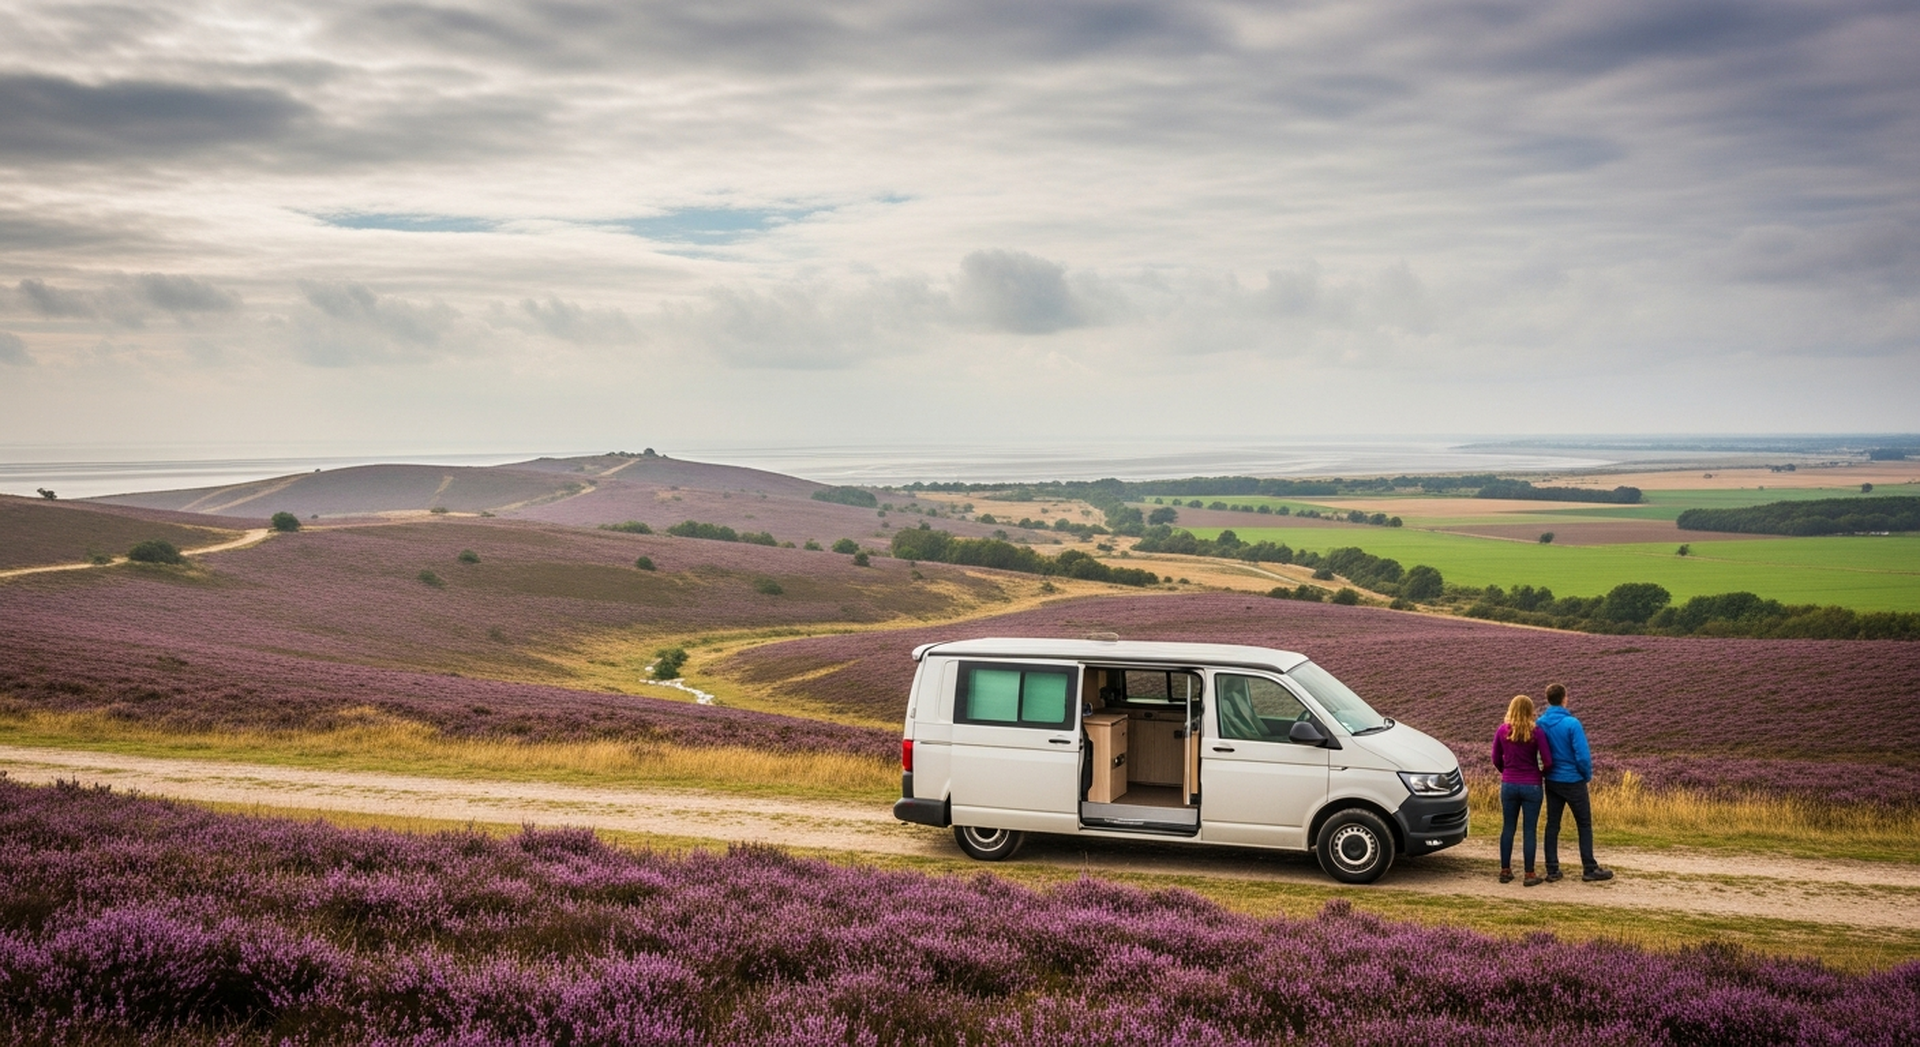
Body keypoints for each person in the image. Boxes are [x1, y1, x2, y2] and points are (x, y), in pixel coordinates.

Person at [1536, 683, 1614, 883]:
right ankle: (1589, 868)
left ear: (1548, 699)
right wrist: (1586, 775)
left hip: (1552, 780)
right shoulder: (1572, 723)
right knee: (1584, 824)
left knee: (1552, 825)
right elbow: (1583, 756)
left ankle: (1552, 869)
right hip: (1573, 780)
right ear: (1564, 698)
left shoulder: (1540, 723)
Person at [1491, 694, 1552, 886]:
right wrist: (1540, 774)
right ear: (1530, 711)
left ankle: (1505, 871)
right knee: (1529, 830)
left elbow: (1495, 758)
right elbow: (1548, 760)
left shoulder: (1502, 730)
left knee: (1508, 827)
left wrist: (1506, 772)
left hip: (1509, 784)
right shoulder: (1537, 732)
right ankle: (1529, 874)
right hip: (1532, 785)